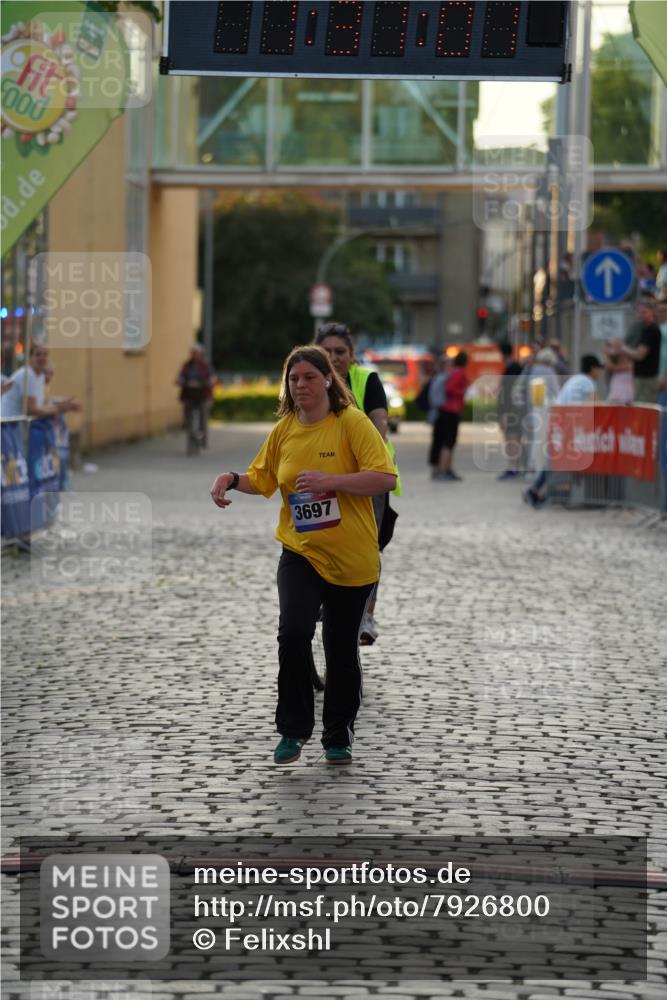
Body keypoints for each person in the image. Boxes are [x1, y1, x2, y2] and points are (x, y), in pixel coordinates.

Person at [210, 345, 396, 766]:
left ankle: (338, 736)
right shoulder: (285, 429)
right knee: (293, 633)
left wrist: (333, 481)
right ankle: (292, 730)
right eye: (293, 379)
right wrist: (232, 478)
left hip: (351, 558)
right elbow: (262, 478)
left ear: (328, 379)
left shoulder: (351, 423)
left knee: (340, 649)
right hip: (301, 551)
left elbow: (384, 477)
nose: (300, 385)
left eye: (310, 377)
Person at [315, 322, 399, 646]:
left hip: (367, 480)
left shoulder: (366, 380)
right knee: (318, 540)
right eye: (326, 351)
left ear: (351, 355)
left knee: (367, 546)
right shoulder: (307, 379)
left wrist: (364, 465)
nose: (333, 357)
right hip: (320, 479)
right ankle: (321, 602)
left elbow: (380, 425)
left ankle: (366, 615)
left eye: (340, 351)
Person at [523, 354, 602, 508]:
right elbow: (596, 405)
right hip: (569, 423)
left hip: (558, 420)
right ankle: (549, 493)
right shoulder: (588, 382)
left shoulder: (575, 379)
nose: (599, 373)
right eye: (598, 369)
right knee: (566, 458)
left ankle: (540, 491)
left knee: (557, 458)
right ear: (593, 369)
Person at [0, 343, 80, 419]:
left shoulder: (39, 376)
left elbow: (42, 405)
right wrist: (59, 408)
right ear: (30, 358)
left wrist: (62, 406)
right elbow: (31, 410)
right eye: (38, 354)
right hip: (10, 425)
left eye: (45, 354)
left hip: (19, 424)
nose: (42, 357)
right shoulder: (28, 374)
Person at [432, 351, 468, 481]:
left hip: (446, 410)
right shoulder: (459, 373)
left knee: (446, 441)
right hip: (452, 410)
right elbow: (450, 389)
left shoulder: (452, 372)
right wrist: (462, 391)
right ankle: (444, 469)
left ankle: (444, 469)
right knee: (449, 442)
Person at [618, 299, 662, 404]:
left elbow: (639, 355)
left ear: (652, 312)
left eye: (644, 312)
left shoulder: (652, 330)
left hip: (647, 378)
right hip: (640, 377)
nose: (641, 315)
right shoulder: (643, 329)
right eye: (640, 312)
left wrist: (621, 347)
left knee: (644, 407)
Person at [176, 344, 213, 449]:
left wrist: (210, 381)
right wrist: (180, 381)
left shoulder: (205, 366)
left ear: (201, 354)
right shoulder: (186, 365)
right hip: (189, 394)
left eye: (197, 353)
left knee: (203, 415)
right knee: (187, 413)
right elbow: (181, 376)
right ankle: (188, 429)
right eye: (193, 353)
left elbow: (211, 377)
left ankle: (203, 439)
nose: (195, 355)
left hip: (203, 395)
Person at [496, 340, 523, 480]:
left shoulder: (512, 369)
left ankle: (513, 467)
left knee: (512, 438)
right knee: (513, 438)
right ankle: (514, 466)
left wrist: (504, 413)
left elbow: (507, 394)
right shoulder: (515, 368)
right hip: (514, 410)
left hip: (511, 411)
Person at [656, 295, 667, 408]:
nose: (662, 313)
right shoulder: (656, 327)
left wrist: (665, 377)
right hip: (655, 376)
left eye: (665, 311)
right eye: (659, 310)